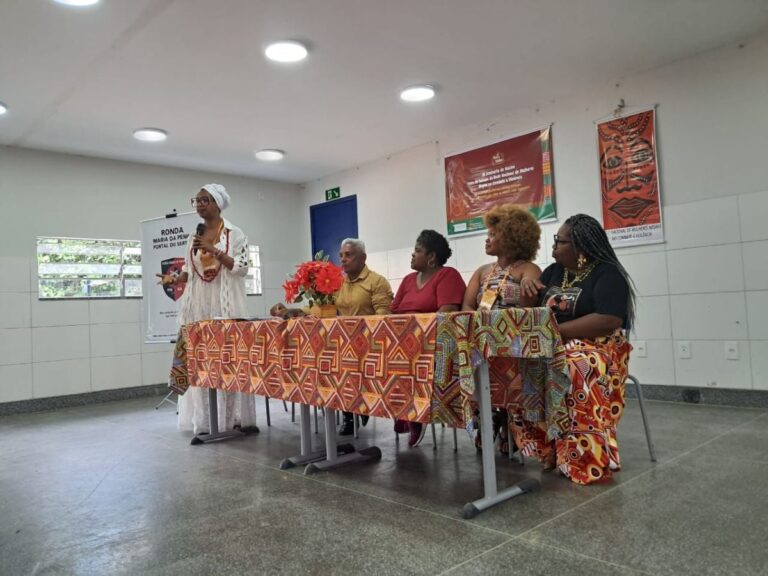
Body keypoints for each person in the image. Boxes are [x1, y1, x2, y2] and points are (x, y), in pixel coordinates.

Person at [524, 213, 636, 484]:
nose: (553, 247)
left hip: (599, 347)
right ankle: (550, 447)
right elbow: (537, 313)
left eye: (559, 241)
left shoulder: (608, 273)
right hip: (555, 345)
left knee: (576, 365)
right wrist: (528, 294)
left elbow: (609, 320)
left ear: (580, 249)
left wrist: (558, 333)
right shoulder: (553, 272)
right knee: (523, 365)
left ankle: (584, 456)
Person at [158, 184, 257, 436]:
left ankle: (230, 419)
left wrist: (214, 250)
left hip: (226, 309)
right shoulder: (194, 236)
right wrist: (174, 278)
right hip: (198, 310)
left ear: (218, 203)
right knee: (201, 365)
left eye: (205, 200)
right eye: (197, 200)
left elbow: (242, 268)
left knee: (228, 364)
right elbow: (191, 273)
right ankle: (204, 421)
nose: (199, 204)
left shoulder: (235, 234)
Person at [461, 204, 542, 454]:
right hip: (482, 341)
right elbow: (466, 306)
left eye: (493, 234)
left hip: (513, 342)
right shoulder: (482, 271)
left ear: (511, 236)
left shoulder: (527, 269)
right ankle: (488, 419)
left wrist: (527, 284)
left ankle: (510, 420)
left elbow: (528, 310)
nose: (488, 239)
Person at [390, 230, 466, 447]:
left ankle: (416, 414)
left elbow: (447, 313)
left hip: (433, 343)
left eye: (418, 251)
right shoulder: (407, 280)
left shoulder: (447, 275)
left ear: (431, 257)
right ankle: (401, 409)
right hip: (402, 342)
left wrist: (417, 334)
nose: (412, 255)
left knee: (410, 360)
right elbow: (393, 312)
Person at [334, 238, 394, 435]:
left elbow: (383, 318)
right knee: (330, 362)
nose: (343, 259)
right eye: (341, 255)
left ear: (363, 258)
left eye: (348, 255)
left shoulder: (377, 282)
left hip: (370, 344)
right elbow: (324, 309)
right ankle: (350, 412)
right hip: (344, 343)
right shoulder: (337, 283)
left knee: (346, 364)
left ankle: (359, 406)